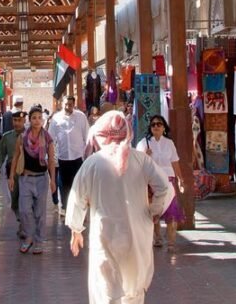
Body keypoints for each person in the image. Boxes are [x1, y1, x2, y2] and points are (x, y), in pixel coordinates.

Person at [66, 111, 172, 304]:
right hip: (137, 232)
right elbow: (165, 188)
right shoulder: (141, 160)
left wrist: (76, 228)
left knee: (105, 289)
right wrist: (154, 211)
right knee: (134, 289)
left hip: (105, 234)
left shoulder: (93, 162)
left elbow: (77, 197)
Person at [12, 107, 57, 254]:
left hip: (41, 179)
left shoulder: (48, 137)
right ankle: (28, 237)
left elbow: (51, 160)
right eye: (34, 118)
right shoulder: (23, 137)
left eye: (39, 118)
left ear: (43, 120)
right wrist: (11, 176)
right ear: (29, 120)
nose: (37, 120)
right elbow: (16, 157)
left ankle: (39, 241)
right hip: (25, 178)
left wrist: (53, 180)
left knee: (40, 212)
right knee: (24, 210)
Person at [136, 115, 187, 248]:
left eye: (159, 124)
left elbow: (175, 161)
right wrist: (145, 156)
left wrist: (180, 178)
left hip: (169, 179)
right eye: (153, 125)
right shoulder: (143, 143)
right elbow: (137, 164)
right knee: (154, 211)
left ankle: (171, 242)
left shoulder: (169, 143)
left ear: (164, 127)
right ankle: (157, 238)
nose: (156, 127)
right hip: (152, 180)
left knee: (171, 210)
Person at [49, 94, 90, 216]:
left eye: (70, 104)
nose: (68, 107)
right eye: (66, 104)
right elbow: (51, 138)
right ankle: (66, 208)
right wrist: (52, 156)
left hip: (77, 157)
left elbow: (86, 135)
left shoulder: (81, 117)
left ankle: (78, 209)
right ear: (62, 104)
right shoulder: (56, 119)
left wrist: (87, 154)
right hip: (63, 157)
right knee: (64, 185)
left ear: (74, 104)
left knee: (78, 184)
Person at [0, 111, 26, 235]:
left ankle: (24, 225)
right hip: (12, 172)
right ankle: (21, 220)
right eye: (15, 120)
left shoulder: (30, 135)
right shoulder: (7, 137)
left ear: (24, 121)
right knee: (14, 200)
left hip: (27, 172)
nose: (17, 123)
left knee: (26, 199)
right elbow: (1, 154)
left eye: (19, 120)